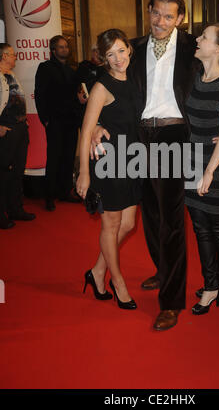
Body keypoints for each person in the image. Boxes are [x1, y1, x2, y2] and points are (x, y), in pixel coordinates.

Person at [90, 0, 199, 331]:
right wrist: (96, 126)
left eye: (169, 16)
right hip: (139, 137)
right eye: (156, 13)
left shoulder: (192, 48)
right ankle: (162, 270)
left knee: (171, 220)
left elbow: (218, 79)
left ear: (180, 18)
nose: (161, 21)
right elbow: (110, 89)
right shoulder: (133, 48)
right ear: (149, 10)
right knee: (149, 213)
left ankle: (171, 300)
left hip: (173, 135)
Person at [76, 29, 141, 310]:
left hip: (134, 160)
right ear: (103, 59)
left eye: (121, 50)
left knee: (128, 224)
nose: (117, 59)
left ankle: (97, 271)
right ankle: (118, 282)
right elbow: (86, 131)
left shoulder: (139, 78)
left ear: (129, 49)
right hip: (108, 162)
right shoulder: (102, 87)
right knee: (111, 224)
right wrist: (84, 173)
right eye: (110, 54)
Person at [185, 24, 219, 315]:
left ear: (218, 47)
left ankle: (218, 281)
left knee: (217, 229)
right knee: (199, 228)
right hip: (190, 163)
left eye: (203, 37)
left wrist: (208, 173)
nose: (197, 39)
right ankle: (211, 282)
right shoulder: (195, 78)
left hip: (217, 169)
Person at [34, 35, 82, 211]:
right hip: (54, 121)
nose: (65, 50)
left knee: (68, 157)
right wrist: (45, 119)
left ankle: (64, 192)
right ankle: (49, 196)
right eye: (61, 47)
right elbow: (39, 94)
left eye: (66, 47)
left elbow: (76, 96)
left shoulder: (71, 70)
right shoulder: (45, 68)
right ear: (53, 50)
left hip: (71, 121)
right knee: (54, 158)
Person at [0, 43, 35, 229]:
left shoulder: (12, 75)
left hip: (20, 129)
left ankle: (16, 209)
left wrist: (24, 121)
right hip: (6, 130)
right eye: (12, 54)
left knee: (17, 171)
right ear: (4, 56)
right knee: (3, 172)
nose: (15, 57)